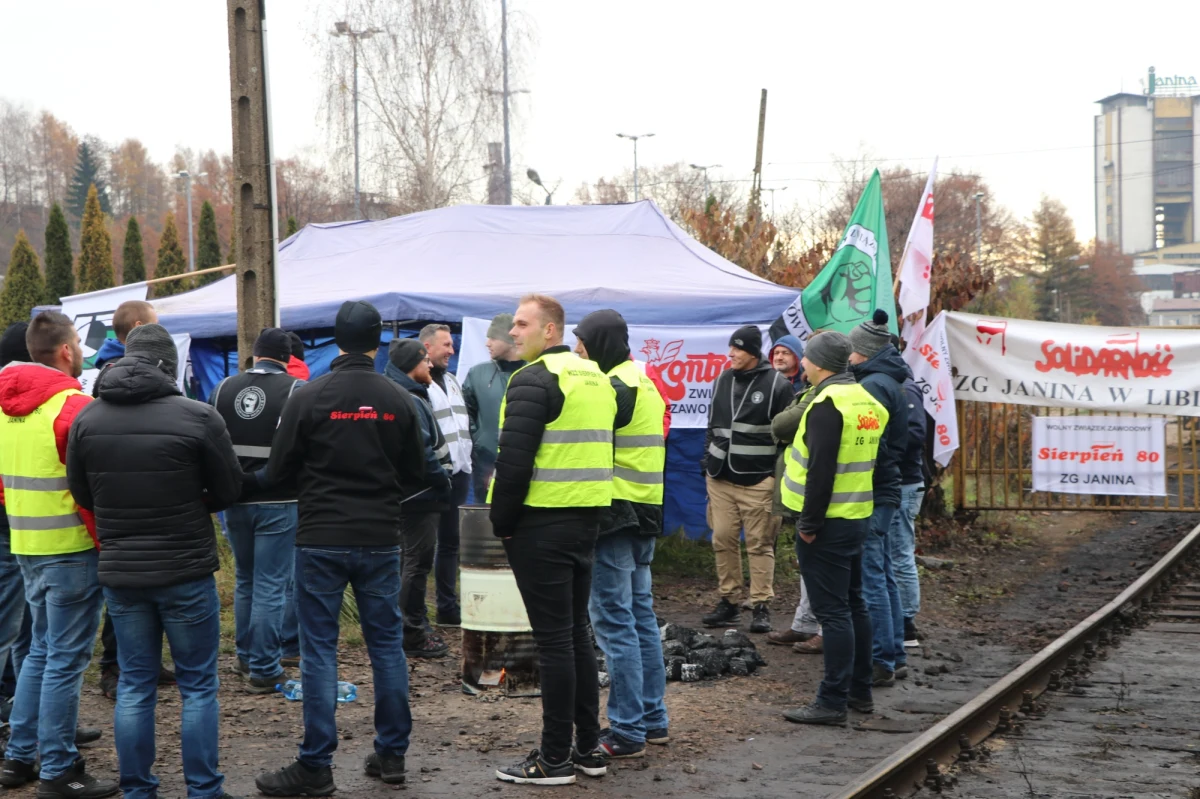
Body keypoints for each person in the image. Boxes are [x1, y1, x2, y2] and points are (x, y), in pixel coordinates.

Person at [67, 323, 244, 799]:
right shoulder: (198, 416)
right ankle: (204, 790)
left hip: (122, 571)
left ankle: (137, 790)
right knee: (199, 685)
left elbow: (84, 493)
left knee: (135, 684)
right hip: (185, 567)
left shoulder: (88, 418)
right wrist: (191, 499)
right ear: (168, 366)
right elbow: (229, 489)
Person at [255, 301, 424, 795]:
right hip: (378, 538)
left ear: (338, 339)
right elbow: (417, 472)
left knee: (319, 650)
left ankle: (316, 764)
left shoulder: (309, 396)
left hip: (321, 539)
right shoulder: (398, 398)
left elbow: (280, 469)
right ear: (377, 344)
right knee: (387, 646)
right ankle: (392, 755)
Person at [488, 294, 617, 786]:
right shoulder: (596, 378)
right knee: (576, 635)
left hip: (541, 524)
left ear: (550, 331)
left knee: (555, 642)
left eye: (522, 324)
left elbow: (514, 463)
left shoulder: (532, 379)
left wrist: (501, 522)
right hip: (586, 521)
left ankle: (554, 758)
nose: (513, 332)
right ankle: (587, 748)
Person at [0, 312, 117, 797]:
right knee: (65, 659)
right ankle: (59, 769)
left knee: (41, 653)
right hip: (72, 549)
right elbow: (94, 490)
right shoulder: (74, 406)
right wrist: (104, 543)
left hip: (26, 542)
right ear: (67, 351)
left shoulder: (5, 406)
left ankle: (19, 757)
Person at [573, 310, 669, 760]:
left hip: (615, 514)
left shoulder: (615, 389)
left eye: (583, 344)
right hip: (644, 511)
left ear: (600, 344)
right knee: (640, 619)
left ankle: (628, 730)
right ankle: (652, 720)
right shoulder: (643, 381)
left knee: (615, 625)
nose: (577, 352)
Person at [779, 331, 887, 726]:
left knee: (834, 612)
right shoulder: (866, 401)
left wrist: (808, 524)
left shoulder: (826, 404)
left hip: (825, 526)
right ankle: (860, 693)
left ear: (820, 363)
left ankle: (831, 701)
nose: (802, 364)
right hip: (856, 516)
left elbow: (821, 471)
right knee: (855, 604)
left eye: (806, 358)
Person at [90, 299, 177, 699]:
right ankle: (112, 667)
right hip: (122, 499)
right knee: (123, 593)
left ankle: (144, 660)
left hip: (135, 495)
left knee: (143, 588)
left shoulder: (106, 371)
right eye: (156, 326)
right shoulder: (107, 373)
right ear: (140, 328)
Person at [209, 328, 305, 692]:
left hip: (234, 500)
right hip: (279, 500)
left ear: (255, 354)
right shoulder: (294, 390)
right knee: (271, 584)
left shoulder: (223, 388)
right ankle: (264, 668)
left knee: (247, 580)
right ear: (286, 357)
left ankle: (246, 658)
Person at [701, 325, 793, 633]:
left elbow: (787, 438)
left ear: (753, 353)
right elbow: (712, 427)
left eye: (737, 349)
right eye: (731, 347)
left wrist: (772, 476)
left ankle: (760, 605)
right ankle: (729, 601)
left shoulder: (778, 384)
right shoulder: (722, 380)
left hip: (758, 481)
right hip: (720, 479)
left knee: (759, 544)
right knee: (722, 539)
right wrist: (707, 464)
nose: (731, 354)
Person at [848, 310, 910, 687]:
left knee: (872, 577)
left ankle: (881, 661)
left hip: (873, 490)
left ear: (863, 352)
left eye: (852, 349)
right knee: (884, 575)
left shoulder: (872, 386)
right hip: (887, 489)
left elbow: (873, 445)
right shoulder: (888, 380)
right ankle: (895, 653)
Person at [385, 338, 454, 659]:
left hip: (408, 496)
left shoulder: (407, 394)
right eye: (424, 359)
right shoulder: (410, 400)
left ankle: (410, 626)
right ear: (410, 365)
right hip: (419, 496)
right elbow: (423, 453)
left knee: (408, 562)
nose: (430, 364)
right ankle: (411, 633)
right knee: (416, 563)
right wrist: (442, 482)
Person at [765, 350, 825, 654]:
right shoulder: (812, 392)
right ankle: (804, 624)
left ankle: (824, 630)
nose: (802, 362)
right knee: (808, 564)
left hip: (826, 503)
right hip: (808, 498)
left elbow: (781, 425)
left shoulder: (821, 397)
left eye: (807, 357)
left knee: (823, 567)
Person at [420, 324, 472, 627]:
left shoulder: (452, 380)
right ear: (427, 347)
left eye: (452, 345)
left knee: (451, 541)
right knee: (423, 544)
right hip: (435, 475)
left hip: (460, 471)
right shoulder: (420, 383)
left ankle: (447, 607)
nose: (451, 351)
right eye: (446, 345)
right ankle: (416, 611)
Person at [463, 313, 524, 502]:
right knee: (486, 521)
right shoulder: (477, 374)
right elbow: (466, 415)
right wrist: (481, 447)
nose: (487, 343)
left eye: (493, 337)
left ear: (510, 339)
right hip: (486, 464)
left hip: (526, 462)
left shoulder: (534, 371)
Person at [892, 338, 929, 648]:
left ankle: (906, 624)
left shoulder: (904, 387)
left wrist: (885, 453)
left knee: (900, 553)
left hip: (904, 483)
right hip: (898, 481)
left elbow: (916, 432)